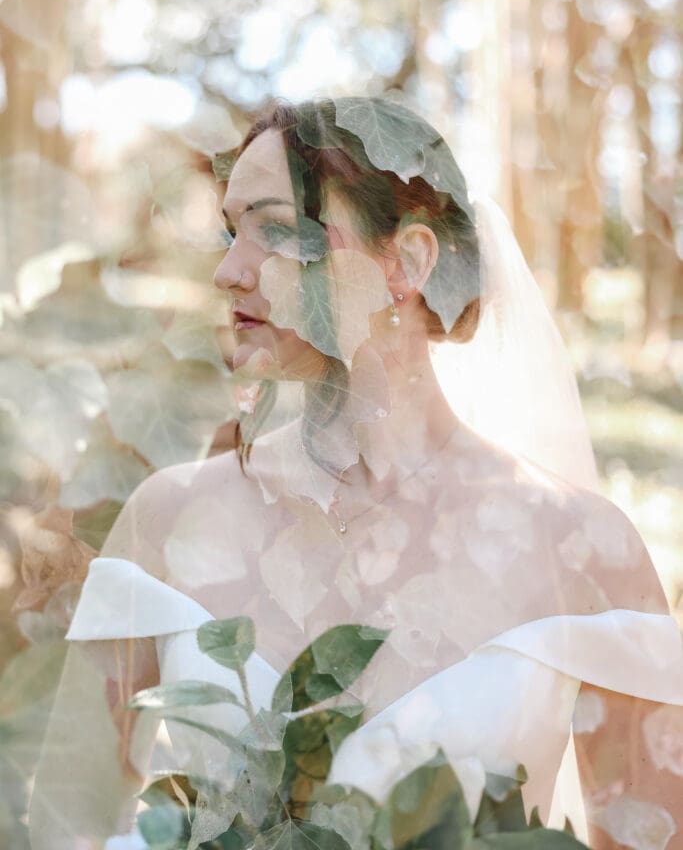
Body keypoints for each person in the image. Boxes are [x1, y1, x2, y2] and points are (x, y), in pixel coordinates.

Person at [30, 98, 683, 849]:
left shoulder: (581, 547)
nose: (228, 270)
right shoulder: (167, 518)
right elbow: (60, 828)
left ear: (404, 263)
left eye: (276, 229)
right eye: (228, 231)